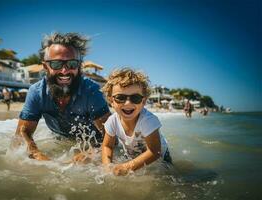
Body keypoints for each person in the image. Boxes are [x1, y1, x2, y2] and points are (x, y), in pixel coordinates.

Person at [11, 32, 110, 162]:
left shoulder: (91, 91)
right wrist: (35, 152)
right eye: (56, 64)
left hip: (93, 142)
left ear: (79, 66)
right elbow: (21, 136)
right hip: (61, 141)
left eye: (72, 64)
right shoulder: (36, 92)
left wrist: (92, 153)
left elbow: (112, 137)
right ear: (45, 66)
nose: (64, 71)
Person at [101, 68, 172, 176]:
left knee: (167, 179)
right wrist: (107, 168)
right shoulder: (112, 121)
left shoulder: (148, 120)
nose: (128, 103)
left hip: (160, 156)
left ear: (143, 102)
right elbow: (107, 146)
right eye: (120, 98)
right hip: (134, 155)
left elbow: (155, 152)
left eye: (135, 98)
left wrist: (127, 167)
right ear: (111, 101)